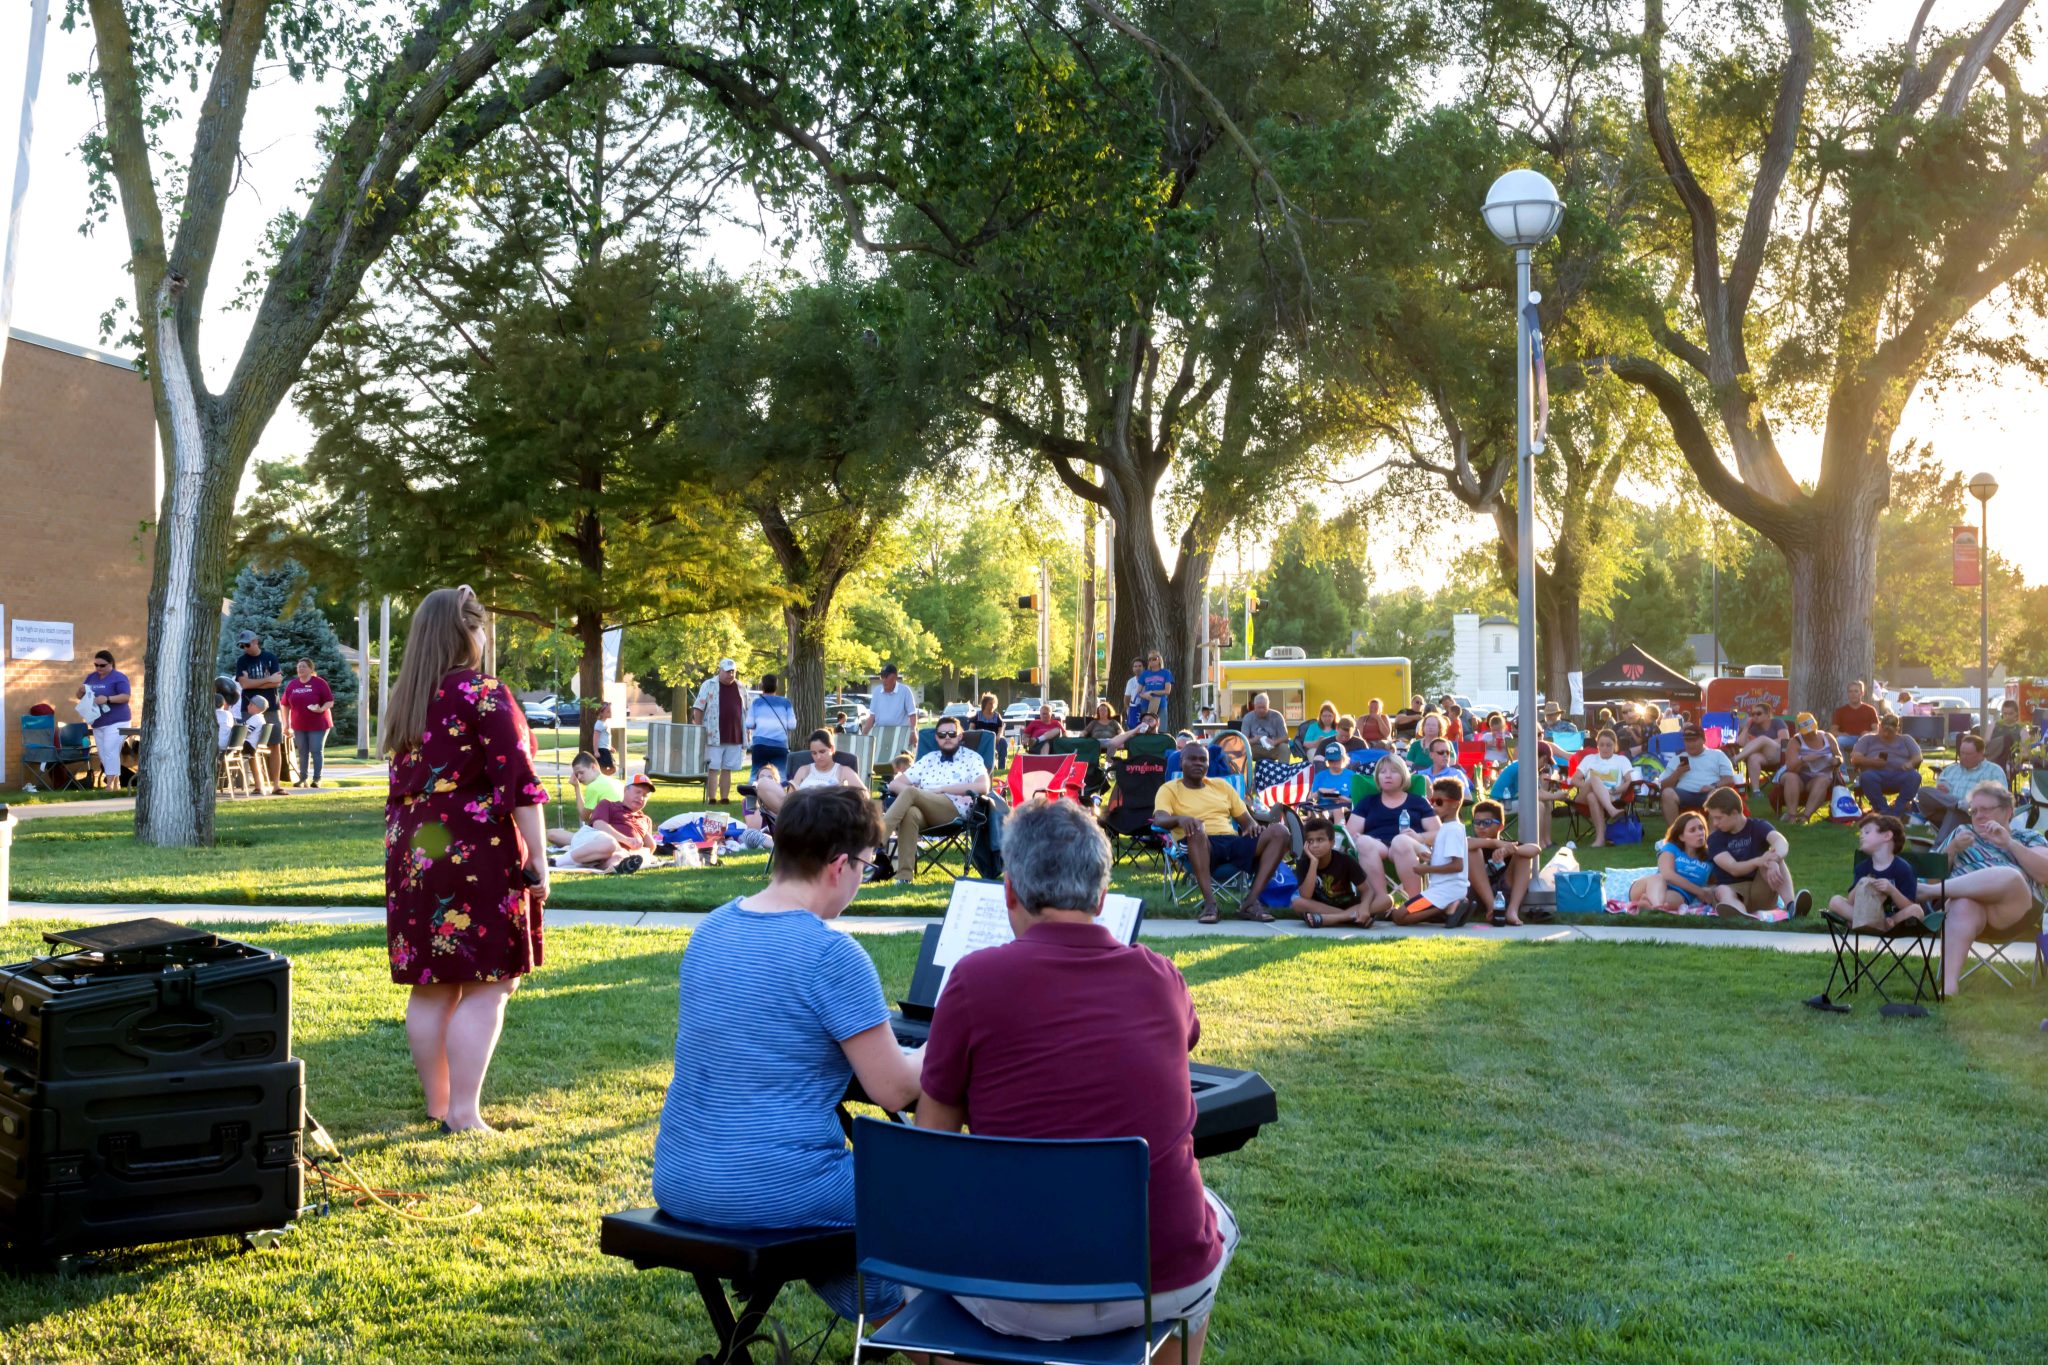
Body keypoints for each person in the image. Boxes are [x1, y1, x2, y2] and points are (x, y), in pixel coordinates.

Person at [915, 798, 1235, 1359]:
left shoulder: (973, 979)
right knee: (1214, 1222)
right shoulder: (1163, 976)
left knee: (916, 1252)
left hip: (1015, 1292)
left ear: (1009, 892)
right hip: (1161, 1281)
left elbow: (933, 1144)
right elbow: (1180, 1043)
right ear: (1102, 897)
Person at [653, 786, 920, 1328]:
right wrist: (940, 1048)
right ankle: (932, 1330)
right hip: (769, 1187)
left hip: (681, 1177)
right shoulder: (830, 952)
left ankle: (893, 1317)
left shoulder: (712, 928)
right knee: (937, 1188)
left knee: (852, 1205)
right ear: (840, 866)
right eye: (868, 866)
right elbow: (894, 1090)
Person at [382, 585, 549, 1134]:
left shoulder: (407, 698)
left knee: (433, 983)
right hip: (474, 846)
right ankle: (463, 1113)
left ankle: (440, 1104)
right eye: (480, 628)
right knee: (490, 981)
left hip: (414, 847)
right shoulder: (484, 693)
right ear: (468, 633)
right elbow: (519, 782)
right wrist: (539, 860)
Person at [1925, 781, 2048, 997]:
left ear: (2008, 811)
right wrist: (1951, 850)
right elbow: (1933, 882)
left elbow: (2044, 874)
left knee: (2010, 876)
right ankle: (1949, 986)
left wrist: (2009, 843)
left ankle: (1920, 892)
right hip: (1969, 914)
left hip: (2014, 911)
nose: (1978, 816)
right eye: (1974, 811)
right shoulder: (1961, 833)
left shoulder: (2028, 837)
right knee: (1962, 903)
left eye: (1985, 809)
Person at [1153, 741, 1289, 924]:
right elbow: (1159, 819)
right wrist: (1180, 819)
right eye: (1192, 759)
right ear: (1181, 762)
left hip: (1231, 842)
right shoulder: (1169, 789)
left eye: (1203, 760)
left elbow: (1247, 821)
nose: (1198, 763)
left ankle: (1250, 902)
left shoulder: (1221, 786)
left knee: (1280, 832)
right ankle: (1210, 904)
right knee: (1197, 829)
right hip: (1198, 844)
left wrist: (1253, 827)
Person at [877, 717, 989, 883]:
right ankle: (904, 877)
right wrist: (920, 795)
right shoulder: (929, 758)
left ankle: (875, 840)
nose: (947, 737)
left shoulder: (972, 758)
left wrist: (943, 789)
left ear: (960, 736)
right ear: (936, 738)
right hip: (925, 809)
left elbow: (983, 786)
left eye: (952, 733)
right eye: (942, 734)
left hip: (954, 810)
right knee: (910, 813)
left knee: (910, 792)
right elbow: (895, 784)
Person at [1703, 787, 1810, 918]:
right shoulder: (1715, 839)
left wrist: (1774, 859)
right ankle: (1741, 916)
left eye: (1719, 818)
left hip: (1760, 890)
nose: (1715, 823)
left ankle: (1792, 907)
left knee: (1774, 860)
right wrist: (1759, 861)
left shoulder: (1757, 826)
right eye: (1713, 818)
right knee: (1722, 889)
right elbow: (1733, 868)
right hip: (1732, 890)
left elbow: (1780, 841)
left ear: (1734, 813)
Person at [1346, 754, 1438, 902]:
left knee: (1400, 841)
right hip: (1378, 846)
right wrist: (1358, 838)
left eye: (1394, 771)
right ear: (1377, 777)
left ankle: (1415, 902)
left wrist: (1419, 837)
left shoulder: (1418, 802)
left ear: (1403, 775)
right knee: (1363, 842)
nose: (1387, 776)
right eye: (1383, 772)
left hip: (1409, 845)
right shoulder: (1367, 802)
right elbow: (1350, 834)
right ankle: (1381, 901)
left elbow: (1438, 832)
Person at [1387, 778, 1475, 926]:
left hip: (1446, 891)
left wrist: (1426, 869)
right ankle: (1450, 910)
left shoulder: (1453, 830)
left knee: (1398, 917)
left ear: (1455, 804)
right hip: (1443, 890)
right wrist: (1432, 858)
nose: (1434, 805)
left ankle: (1447, 907)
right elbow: (1448, 859)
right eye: (1432, 801)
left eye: (1439, 802)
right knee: (1399, 914)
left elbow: (1457, 866)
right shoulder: (1446, 828)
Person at [1827, 814, 1924, 932]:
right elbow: (1851, 902)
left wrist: (1892, 891)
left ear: (1887, 836)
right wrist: (1860, 885)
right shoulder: (1862, 868)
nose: (1861, 836)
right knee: (1835, 901)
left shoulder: (1903, 868)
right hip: (1866, 914)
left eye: (1867, 832)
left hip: (1892, 917)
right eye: (1861, 833)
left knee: (1916, 910)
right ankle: (1878, 925)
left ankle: (1869, 923)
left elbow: (1908, 905)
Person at [1290, 817, 1383, 926]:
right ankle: (1350, 917)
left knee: (1386, 900)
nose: (1315, 845)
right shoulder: (1304, 862)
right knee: (1297, 903)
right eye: (1310, 841)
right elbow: (1305, 896)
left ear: (1332, 843)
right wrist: (1314, 862)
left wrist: (1364, 907)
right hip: (1321, 907)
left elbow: (1367, 891)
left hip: (1347, 904)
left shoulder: (1345, 860)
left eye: (1320, 840)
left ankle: (1333, 919)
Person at [560, 772, 660, 872]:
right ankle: (557, 862)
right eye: (638, 792)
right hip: (597, 843)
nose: (641, 798)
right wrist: (626, 840)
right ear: (625, 790)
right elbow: (599, 825)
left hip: (619, 853)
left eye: (645, 795)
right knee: (610, 844)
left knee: (618, 858)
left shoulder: (645, 820)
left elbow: (649, 848)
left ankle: (616, 867)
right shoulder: (608, 805)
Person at [756, 730, 868, 817]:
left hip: (829, 815)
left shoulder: (843, 771)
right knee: (763, 783)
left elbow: (864, 795)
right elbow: (790, 799)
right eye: (814, 753)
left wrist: (841, 794)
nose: (818, 757)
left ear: (832, 749)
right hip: (801, 813)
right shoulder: (804, 770)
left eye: (822, 752)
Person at [1466, 799, 1542, 926]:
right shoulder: (1473, 843)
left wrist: (1511, 851)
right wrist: (1494, 843)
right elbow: (1464, 843)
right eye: (1477, 822)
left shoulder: (1508, 845)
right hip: (1478, 893)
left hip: (1504, 892)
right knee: (1471, 851)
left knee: (1523, 856)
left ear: (1500, 826)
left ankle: (1512, 911)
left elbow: (1535, 849)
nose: (1481, 826)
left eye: (1487, 822)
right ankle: (1492, 907)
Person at [1918, 732, 2002, 843]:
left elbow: (2000, 799)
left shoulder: (1993, 771)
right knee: (1923, 792)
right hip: (1942, 810)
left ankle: (1939, 849)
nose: (1963, 757)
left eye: (1968, 754)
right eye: (1962, 753)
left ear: (1981, 753)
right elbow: (1937, 795)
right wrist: (1940, 791)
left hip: (1973, 815)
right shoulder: (1950, 770)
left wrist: (1975, 805)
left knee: (1956, 811)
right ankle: (1959, 804)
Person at [1628, 810, 1719, 912]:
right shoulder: (1672, 848)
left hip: (1679, 893)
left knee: (1678, 900)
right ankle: (1656, 908)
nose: (1700, 833)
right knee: (1658, 878)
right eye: (1692, 830)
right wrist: (1700, 891)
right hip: (1651, 885)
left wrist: (1710, 890)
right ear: (1681, 837)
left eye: (1701, 828)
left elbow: (1716, 881)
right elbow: (1667, 875)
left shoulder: (1710, 856)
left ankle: (1650, 905)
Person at [233, 630, 287, 790]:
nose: (245, 648)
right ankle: (258, 785)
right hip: (249, 708)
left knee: (275, 744)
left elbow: (277, 682)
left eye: (247, 644)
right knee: (252, 745)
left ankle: (276, 785)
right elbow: (244, 684)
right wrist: (268, 679)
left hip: (272, 707)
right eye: (242, 646)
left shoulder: (270, 658)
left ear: (255, 641)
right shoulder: (242, 661)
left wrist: (254, 682)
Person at [74, 648, 133, 790]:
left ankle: (110, 784)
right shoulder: (91, 677)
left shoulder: (119, 677)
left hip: (117, 721)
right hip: (98, 721)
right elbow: (79, 696)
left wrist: (107, 699)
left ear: (111, 664)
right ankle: (116, 782)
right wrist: (80, 691)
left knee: (110, 750)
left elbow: (126, 696)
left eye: (102, 665)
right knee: (103, 753)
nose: (98, 668)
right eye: (96, 665)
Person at [690, 659, 746, 804]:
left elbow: (746, 709)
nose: (730, 674)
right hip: (713, 735)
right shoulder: (709, 684)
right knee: (713, 768)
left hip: (734, 734)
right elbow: (698, 708)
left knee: (727, 768)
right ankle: (712, 798)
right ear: (720, 671)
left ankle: (725, 798)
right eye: (727, 671)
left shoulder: (740, 686)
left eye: (733, 671)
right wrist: (699, 728)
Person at [1658, 725, 1739, 825]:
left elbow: (1729, 779)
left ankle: (1712, 834)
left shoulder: (1717, 755)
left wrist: (1713, 786)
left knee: (1716, 794)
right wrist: (1677, 773)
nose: (1690, 744)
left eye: (1694, 740)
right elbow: (1663, 786)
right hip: (1684, 794)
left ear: (1703, 740)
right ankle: (1676, 832)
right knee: (1667, 793)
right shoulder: (1678, 758)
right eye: (1687, 741)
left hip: (1709, 792)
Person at [1572, 728, 1637, 847]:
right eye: (1601, 745)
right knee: (1594, 780)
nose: (1605, 748)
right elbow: (1574, 780)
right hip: (1583, 798)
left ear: (1615, 745)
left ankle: (1600, 839)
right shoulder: (1589, 759)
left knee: (1593, 796)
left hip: (1611, 796)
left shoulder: (1621, 760)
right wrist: (1591, 785)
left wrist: (1613, 790)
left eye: (1608, 745)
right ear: (1597, 745)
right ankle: (1611, 810)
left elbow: (1629, 781)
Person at [546, 752, 625, 848]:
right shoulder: (616, 782)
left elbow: (584, 817)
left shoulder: (594, 787)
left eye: (581, 772)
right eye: (576, 774)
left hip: (605, 836)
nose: (579, 777)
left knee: (551, 834)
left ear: (593, 767)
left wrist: (576, 787)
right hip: (623, 832)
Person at [1850, 715, 1923, 818]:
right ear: (1879, 726)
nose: (1886, 734)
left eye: (1890, 732)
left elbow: (1918, 757)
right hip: (1875, 775)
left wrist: (1910, 763)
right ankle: (1883, 810)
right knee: (1867, 777)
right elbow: (1855, 759)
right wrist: (1873, 762)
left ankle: (1899, 809)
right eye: (1883, 730)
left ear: (1897, 729)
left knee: (1914, 776)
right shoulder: (1867, 739)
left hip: (1900, 774)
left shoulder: (1906, 739)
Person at [1777, 713, 1843, 824]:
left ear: (1816, 726)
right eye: (1806, 732)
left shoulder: (1827, 737)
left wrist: (1836, 761)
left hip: (1820, 776)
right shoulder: (1795, 741)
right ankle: (1792, 816)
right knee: (1791, 777)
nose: (1810, 734)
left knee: (1823, 780)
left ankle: (1805, 817)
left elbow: (1839, 756)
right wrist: (1804, 759)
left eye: (1812, 731)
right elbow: (1790, 767)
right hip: (1799, 775)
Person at [281, 658, 334, 789]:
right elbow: (285, 705)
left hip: (318, 724)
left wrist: (321, 709)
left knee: (316, 750)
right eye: (299, 667)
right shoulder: (292, 685)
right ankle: (303, 778)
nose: (300, 669)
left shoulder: (319, 683)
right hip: (299, 725)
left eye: (304, 666)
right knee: (303, 752)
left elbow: (330, 701)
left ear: (311, 669)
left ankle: (317, 779)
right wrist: (286, 724)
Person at [745, 674, 799, 782]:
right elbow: (792, 725)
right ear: (776, 686)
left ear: (762, 686)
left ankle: (753, 792)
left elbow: (749, 724)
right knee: (781, 775)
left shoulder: (756, 703)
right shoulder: (786, 703)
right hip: (779, 745)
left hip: (760, 744)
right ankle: (779, 792)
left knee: (755, 774)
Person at [1731, 704, 1790, 794]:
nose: (1755, 716)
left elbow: (1784, 740)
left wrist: (1762, 743)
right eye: (1753, 714)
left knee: (1762, 739)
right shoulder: (1753, 727)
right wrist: (1747, 727)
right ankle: (1756, 791)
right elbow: (1740, 743)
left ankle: (1735, 759)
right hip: (1763, 757)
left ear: (1767, 714)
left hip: (1779, 755)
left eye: (1758, 713)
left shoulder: (1777, 722)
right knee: (1753, 757)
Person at [861, 662, 921, 736]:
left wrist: (913, 731)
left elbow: (912, 714)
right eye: (882, 677)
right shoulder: (877, 691)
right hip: (880, 733)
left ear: (895, 677)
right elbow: (872, 716)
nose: (884, 680)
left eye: (886, 676)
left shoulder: (905, 691)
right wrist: (864, 734)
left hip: (900, 734)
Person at [1239, 692, 1291, 766]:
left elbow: (1285, 737)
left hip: (1273, 748)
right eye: (1259, 707)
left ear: (1268, 705)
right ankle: (1246, 772)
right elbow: (1243, 740)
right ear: (1254, 706)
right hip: (1254, 749)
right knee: (1243, 748)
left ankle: (1283, 770)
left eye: (1264, 707)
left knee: (1285, 747)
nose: (1261, 710)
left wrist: (1275, 742)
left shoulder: (1277, 716)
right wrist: (1254, 739)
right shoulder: (1248, 717)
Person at [1129, 649, 1175, 729]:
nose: (1152, 661)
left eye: (1154, 659)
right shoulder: (1144, 674)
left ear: (1159, 660)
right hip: (1146, 705)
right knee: (1145, 728)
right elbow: (1138, 692)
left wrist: (1152, 692)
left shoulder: (1166, 673)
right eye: (1149, 659)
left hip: (1161, 704)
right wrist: (1145, 696)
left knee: (1161, 729)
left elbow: (1167, 691)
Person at [1308, 741, 1354, 813]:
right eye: (1331, 760)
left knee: (1339, 811)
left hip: (1344, 809)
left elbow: (1358, 801)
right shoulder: (1320, 776)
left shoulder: (1352, 776)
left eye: (1337, 760)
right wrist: (1319, 792)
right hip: (1322, 808)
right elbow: (1309, 799)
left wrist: (1345, 799)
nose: (1334, 763)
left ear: (1343, 758)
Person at [968, 692, 1010, 768]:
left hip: (994, 740)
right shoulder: (977, 715)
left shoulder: (997, 716)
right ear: (985, 704)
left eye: (993, 703)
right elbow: (971, 729)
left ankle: (1001, 767)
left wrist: (998, 736)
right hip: (980, 739)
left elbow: (1000, 729)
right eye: (990, 703)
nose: (992, 705)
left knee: (1003, 742)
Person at [1986, 698, 2027, 774]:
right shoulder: (1993, 725)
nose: (2007, 716)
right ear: (2002, 713)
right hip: (1992, 757)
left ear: (2016, 713)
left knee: (2007, 739)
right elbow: (1985, 744)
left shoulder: (2021, 730)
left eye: (2010, 714)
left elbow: (2026, 753)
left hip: (2010, 761)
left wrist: (2016, 760)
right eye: (2005, 714)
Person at [591, 700, 616, 774]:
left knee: (612, 767)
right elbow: (595, 738)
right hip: (602, 750)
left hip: (606, 749)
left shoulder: (605, 723)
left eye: (610, 711)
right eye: (608, 711)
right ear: (601, 713)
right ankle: (601, 776)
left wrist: (610, 747)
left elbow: (605, 738)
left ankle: (602, 776)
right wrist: (596, 751)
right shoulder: (599, 724)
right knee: (610, 768)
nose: (610, 713)